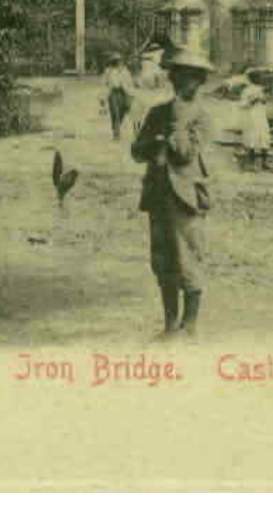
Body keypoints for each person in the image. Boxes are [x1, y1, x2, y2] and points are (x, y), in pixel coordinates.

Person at [131, 47, 215, 338]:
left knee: (189, 259)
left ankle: (189, 326)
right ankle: (169, 325)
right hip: (158, 195)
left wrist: (176, 125)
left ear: (200, 81)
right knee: (163, 261)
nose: (183, 83)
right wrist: (155, 142)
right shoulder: (157, 113)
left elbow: (185, 153)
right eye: (178, 76)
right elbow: (136, 151)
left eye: (191, 78)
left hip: (187, 197)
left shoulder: (200, 118)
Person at [102, 53, 134, 141]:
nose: (118, 63)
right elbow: (104, 84)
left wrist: (131, 95)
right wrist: (102, 97)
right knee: (115, 113)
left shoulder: (125, 71)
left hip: (123, 93)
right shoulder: (108, 71)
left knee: (123, 111)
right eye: (115, 61)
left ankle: (116, 126)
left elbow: (130, 83)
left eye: (119, 61)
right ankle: (117, 134)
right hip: (113, 93)